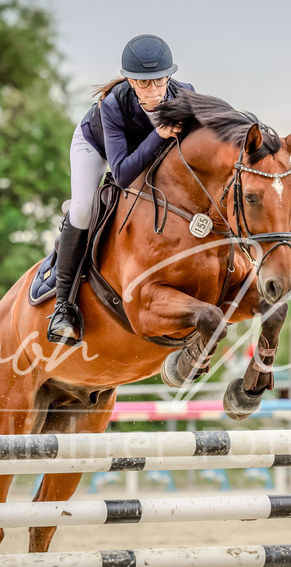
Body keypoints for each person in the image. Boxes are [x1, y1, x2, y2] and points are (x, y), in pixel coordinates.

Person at [47, 34, 195, 345]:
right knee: (84, 208)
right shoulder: (112, 105)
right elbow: (123, 174)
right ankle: (64, 306)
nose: (153, 90)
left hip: (141, 151)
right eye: (144, 83)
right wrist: (158, 133)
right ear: (129, 79)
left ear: (170, 75)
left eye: (159, 80)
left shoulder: (185, 96)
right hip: (97, 147)